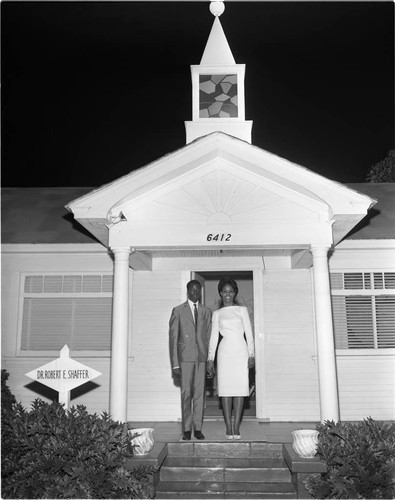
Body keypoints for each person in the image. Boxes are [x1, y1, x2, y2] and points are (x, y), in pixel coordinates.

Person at [207, 277, 255, 439]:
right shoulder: (217, 314)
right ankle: (228, 426)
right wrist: (210, 359)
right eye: (224, 291)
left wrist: (251, 355)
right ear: (220, 293)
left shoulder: (242, 310)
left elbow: (249, 333)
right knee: (226, 390)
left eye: (231, 291)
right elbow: (213, 337)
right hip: (224, 352)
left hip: (240, 351)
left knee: (240, 390)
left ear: (235, 293)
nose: (228, 294)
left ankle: (236, 426)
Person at [169, 280, 212, 440]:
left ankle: (198, 428)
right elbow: (173, 339)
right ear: (187, 291)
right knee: (186, 394)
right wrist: (175, 364)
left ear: (200, 292)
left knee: (200, 394)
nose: (195, 292)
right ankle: (187, 429)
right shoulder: (178, 311)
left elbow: (207, 337)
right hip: (185, 359)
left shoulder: (206, 311)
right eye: (192, 290)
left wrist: (209, 360)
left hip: (201, 358)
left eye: (197, 290)